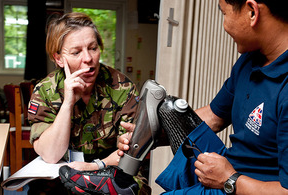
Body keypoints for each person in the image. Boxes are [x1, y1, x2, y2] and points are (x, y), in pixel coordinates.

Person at [117, 0, 288, 194]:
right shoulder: (250, 60)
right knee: (170, 109)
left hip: (246, 184)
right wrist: (148, 137)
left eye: (224, 13)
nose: (224, 25)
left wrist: (229, 180)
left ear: (252, 12)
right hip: (229, 169)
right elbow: (214, 116)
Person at [27, 12, 143, 194]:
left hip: (111, 174)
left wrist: (93, 166)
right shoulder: (44, 91)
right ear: (58, 58)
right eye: (76, 52)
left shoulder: (123, 88)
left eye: (93, 48)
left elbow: (131, 154)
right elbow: (50, 155)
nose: (88, 58)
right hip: (60, 177)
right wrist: (67, 104)